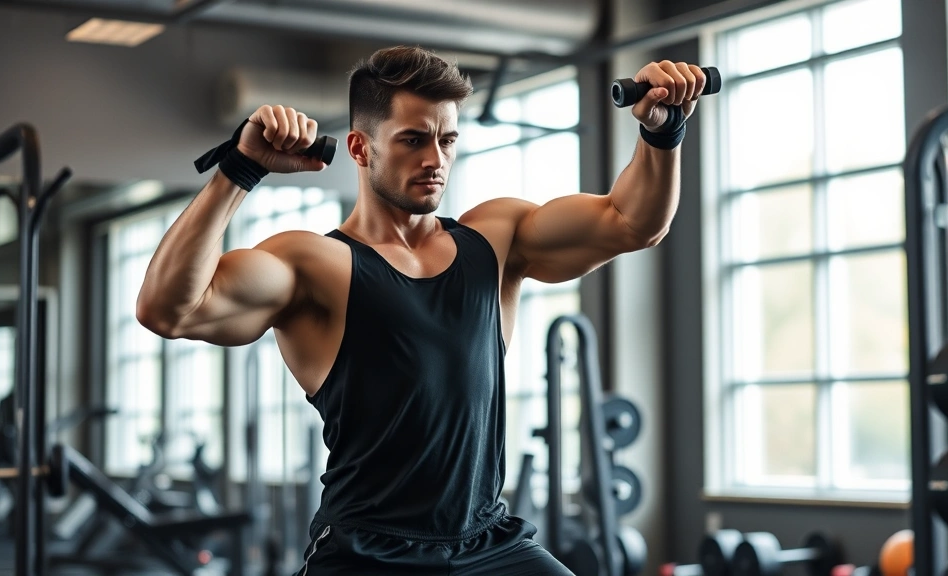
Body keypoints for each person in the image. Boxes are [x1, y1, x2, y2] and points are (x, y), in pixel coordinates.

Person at [137, 45, 705, 576]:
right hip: (368, 551)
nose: (435, 159)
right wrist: (240, 169)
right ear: (360, 148)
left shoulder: (497, 240)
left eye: (447, 140)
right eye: (412, 140)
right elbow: (169, 310)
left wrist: (663, 131)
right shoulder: (316, 264)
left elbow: (632, 223)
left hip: (488, 542)